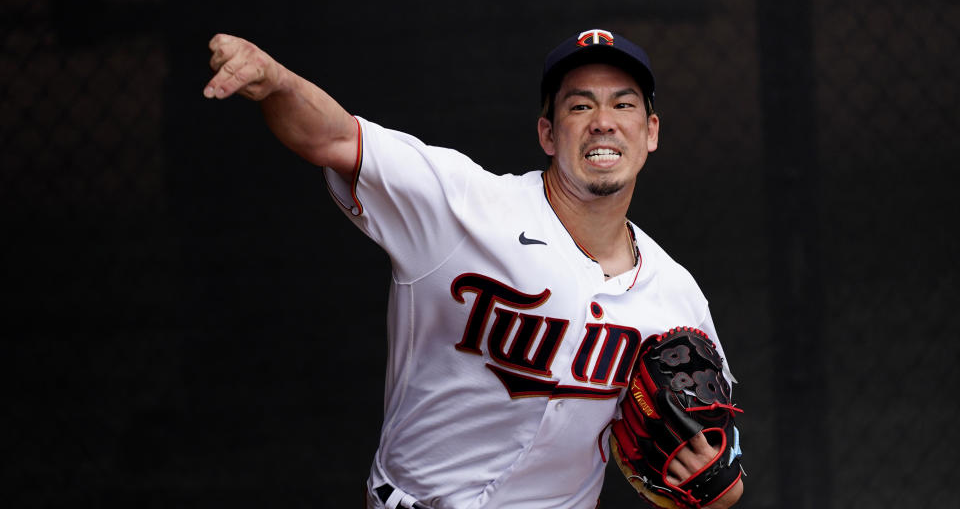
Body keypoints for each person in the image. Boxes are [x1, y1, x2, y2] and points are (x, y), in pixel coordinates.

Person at [203, 29, 744, 509]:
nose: (603, 122)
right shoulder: (465, 206)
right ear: (548, 134)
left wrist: (712, 479)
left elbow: (719, 458)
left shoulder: (676, 294)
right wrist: (276, 80)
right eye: (579, 107)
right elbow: (335, 138)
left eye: (622, 105)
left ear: (650, 131)